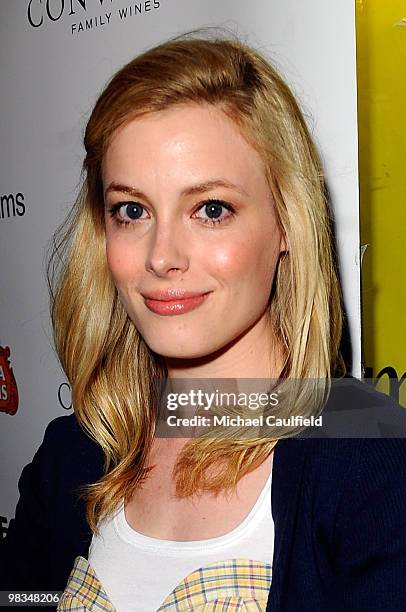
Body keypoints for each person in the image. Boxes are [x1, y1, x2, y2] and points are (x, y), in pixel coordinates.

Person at [1, 31, 406, 612]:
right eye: (132, 210)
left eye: (210, 210)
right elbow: (24, 598)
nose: (162, 255)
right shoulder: (74, 455)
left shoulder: (374, 464)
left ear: (286, 223)